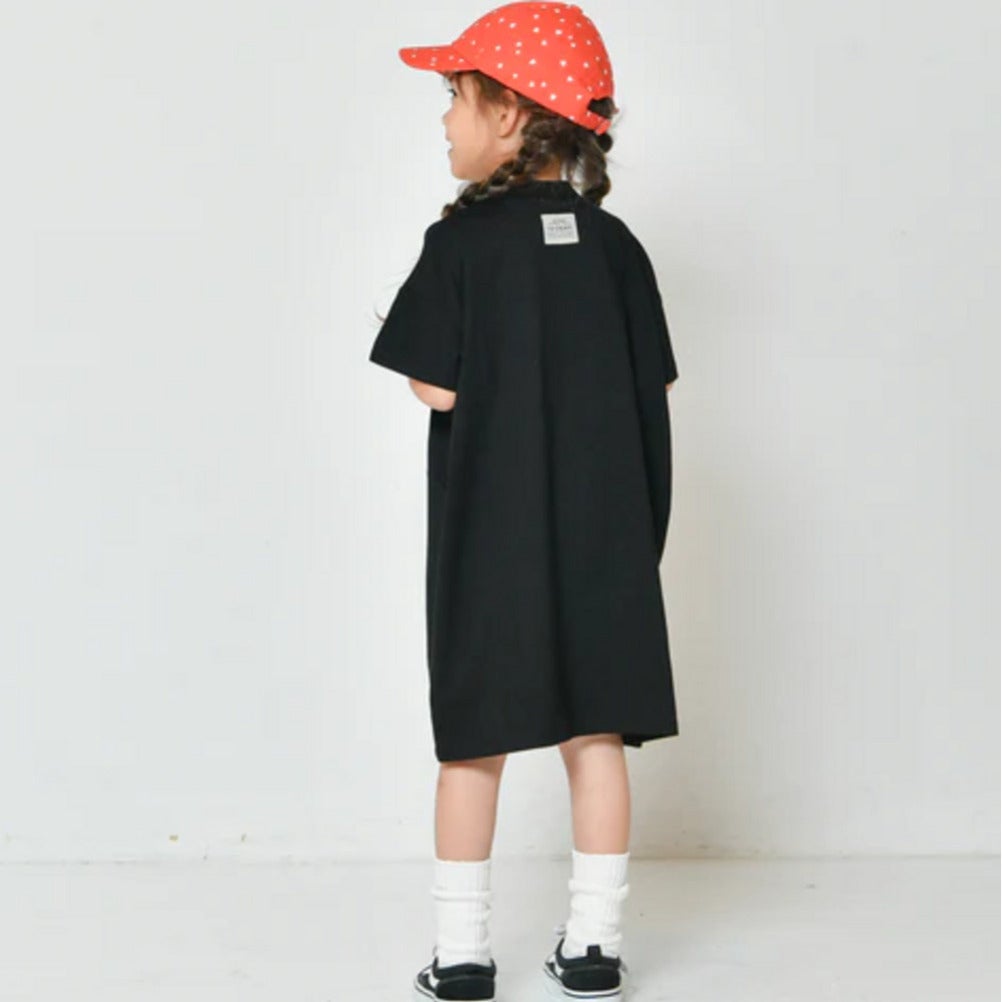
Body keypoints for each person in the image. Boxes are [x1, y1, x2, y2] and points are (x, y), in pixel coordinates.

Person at [367, 3, 679, 1000]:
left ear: (507, 113)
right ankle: (594, 947)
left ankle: (463, 953)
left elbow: (437, 387)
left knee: (475, 745)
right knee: (597, 738)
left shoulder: (459, 245)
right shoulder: (619, 247)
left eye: (455, 99)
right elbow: (654, 390)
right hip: (607, 545)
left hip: (491, 544)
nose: (444, 120)